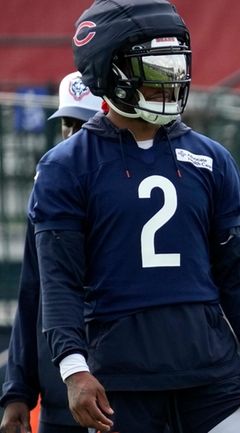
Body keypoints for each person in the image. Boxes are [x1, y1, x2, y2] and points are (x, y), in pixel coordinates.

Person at [28, 1, 240, 432]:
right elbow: (59, 283)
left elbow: (237, 270)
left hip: (212, 372)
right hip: (120, 379)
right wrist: (73, 368)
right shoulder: (65, 167)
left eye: (176, 66)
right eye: (155, 68)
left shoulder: (211, 158)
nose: (172, 80)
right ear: (108, 71)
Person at [0, 71, 102, 433]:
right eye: (67, 126)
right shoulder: (48, 190)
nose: (72, 138)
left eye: (85, 126)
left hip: (121, 397)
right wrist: (17, 393)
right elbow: (32, 292)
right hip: (60, 402)